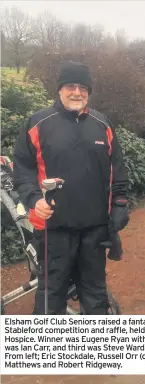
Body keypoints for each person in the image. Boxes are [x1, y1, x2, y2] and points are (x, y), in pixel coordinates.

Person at [13, 61, 130, 315]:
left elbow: (117, 169)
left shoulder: (103, 124)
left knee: (95, 294)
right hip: (54, 229)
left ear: (88, 91)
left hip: (94, 230)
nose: (76, 92)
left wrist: (120, 203)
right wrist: (34, 199)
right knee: (51, 295)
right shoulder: (38, 123)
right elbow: (22, 170)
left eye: (82, 87)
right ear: (59, 89)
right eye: (70, 86)